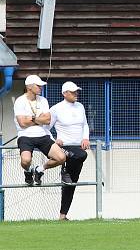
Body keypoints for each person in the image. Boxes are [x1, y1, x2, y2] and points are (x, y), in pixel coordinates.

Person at [14, 75, 66, 187]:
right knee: (25, 161)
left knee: (61, 158)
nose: (41, 87)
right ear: (29, 87)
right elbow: (22, 123)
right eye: (38, 85)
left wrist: (31, 118)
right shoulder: (20, 101)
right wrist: (39, 119)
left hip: (43, 135)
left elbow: (47, 120)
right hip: (25, 136)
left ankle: (40, 169)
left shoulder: (43, 100)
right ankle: (28, 171)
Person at [50, 81, 91, 220]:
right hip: (65, 146)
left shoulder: (80, 106)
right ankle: (65, 170)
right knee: (82, 155)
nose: (76, 94)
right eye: (73, 92)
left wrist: (85, 138)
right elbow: (46, 129)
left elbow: (85, 125)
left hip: (78, 147)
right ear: (64, 93)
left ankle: (63, 215)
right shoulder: (56, 109)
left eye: (76, 91)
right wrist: (54, 141)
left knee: (72, 182)